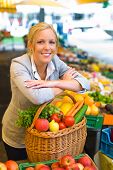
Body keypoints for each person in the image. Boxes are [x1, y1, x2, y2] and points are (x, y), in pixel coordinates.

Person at [2, 22, 90, 161]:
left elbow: (85, 83)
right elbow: (37, 97)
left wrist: (52, 83)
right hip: (18, 135)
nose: (47, 47)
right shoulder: (19, 65)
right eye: (40, 42)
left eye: (51, 42)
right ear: (30, 45)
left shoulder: (55, 61)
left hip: (45, 134)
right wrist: (64, 84)